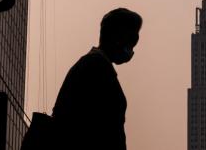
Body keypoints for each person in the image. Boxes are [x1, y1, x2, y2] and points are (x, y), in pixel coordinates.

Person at [52, 8, 142, 149]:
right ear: (117, 38)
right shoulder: (96, 68)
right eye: (131, 41)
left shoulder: (95, 65)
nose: (131, 49)